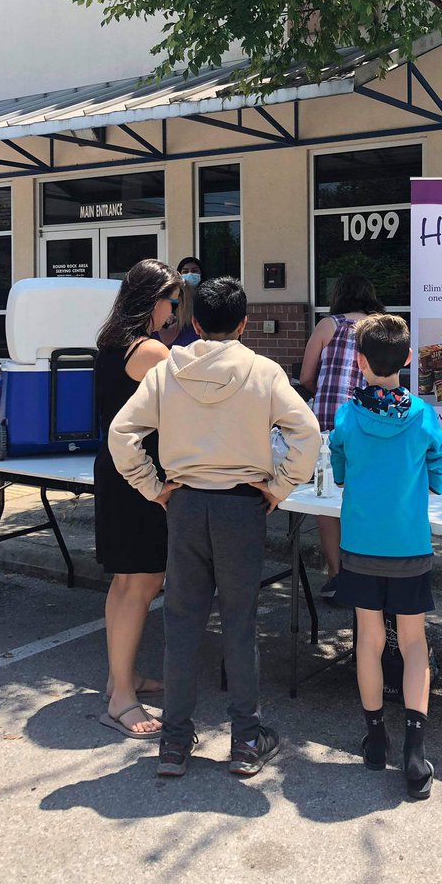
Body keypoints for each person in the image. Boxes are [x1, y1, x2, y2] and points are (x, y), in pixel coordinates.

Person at [109, 276, 321, 778]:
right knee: (240, 622)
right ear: (244, 323)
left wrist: (152, 486)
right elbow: (307, 432)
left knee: (181, 622)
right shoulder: (263, 371)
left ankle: (174, 741)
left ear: (196, 324)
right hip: (242, 506)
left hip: (184, 505)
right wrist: (280, 486)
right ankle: (245, 739)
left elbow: (122, 433)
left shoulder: (167, 370)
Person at [329, 314, 442, 800]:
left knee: (369, 639)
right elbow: (438, 468)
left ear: (359, 361)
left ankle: (375, 738)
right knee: (414, 642)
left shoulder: (346, 415)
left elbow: (339, 468)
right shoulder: (423, 414)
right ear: (408, 359)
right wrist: (432, 480)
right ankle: (415, 753)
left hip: (360, 545)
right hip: (409, 545)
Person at [94, 259, 184, 740]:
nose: (174, 313)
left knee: (125, 583)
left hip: (116, 470)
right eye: (172, 302)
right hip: (141, 476)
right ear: (153, 300)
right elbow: (188, 403)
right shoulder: (150, 351)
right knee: (142, 583)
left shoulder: (112, 342)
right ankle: (121, 701)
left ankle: (120, 679)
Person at [299, 274, 385, 600]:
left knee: (327, 498)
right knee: (363, 496)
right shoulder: (381, 328)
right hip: (369, 423)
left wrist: (323, 391)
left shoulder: (327, 325)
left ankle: (337, 575)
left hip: (328, 423)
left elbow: (306, 376)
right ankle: (366, 570)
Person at [155, 258, 202, 348]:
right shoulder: (151, 327)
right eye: (185, 271)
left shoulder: (196, 330)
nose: (190, 274)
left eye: (194, 271)